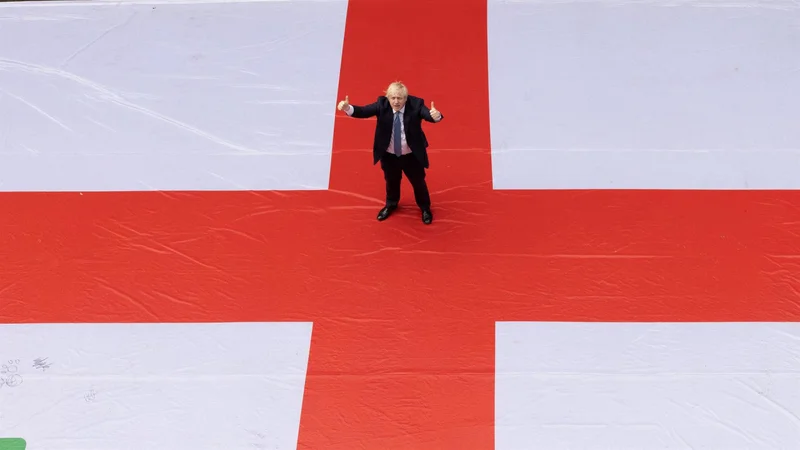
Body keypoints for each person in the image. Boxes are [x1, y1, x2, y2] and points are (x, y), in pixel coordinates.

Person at [337, 82, 443, 224]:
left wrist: (436, 116)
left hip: (411, 155)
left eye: (400, 98)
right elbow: (363, 111)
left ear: (406, 98)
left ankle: (425, 208)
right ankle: (391, 204)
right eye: (392, 98)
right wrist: (347, 108)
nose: (396, 101)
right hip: (389, 155)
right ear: (387, 97)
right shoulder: (382, 104)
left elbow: (428, 115)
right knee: (391, 181)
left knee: (418, 182)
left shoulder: (416, 104)